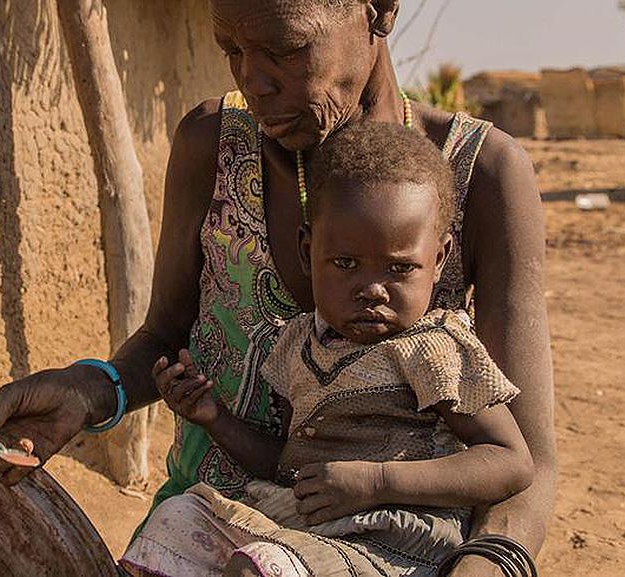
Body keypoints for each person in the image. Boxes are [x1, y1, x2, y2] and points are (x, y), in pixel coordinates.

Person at [0, 0, 555, 575]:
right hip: (210, 527)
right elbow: (164, 338)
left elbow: (525, 460)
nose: (255, 81)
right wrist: (89, 389)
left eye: (286, 50)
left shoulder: (479, 175)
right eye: (232, 50)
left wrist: (485, 564)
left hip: (386, 552)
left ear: (378, 6)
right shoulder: (213, 144)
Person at [121, 121, 534, 576]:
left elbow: (509, 462)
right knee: (176, 522)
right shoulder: (300, 346)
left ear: (438, 260)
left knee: (263, 567)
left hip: (393, 546)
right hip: (307, 531)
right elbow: (291, 466)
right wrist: (213, 417)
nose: (373, 289)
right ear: (307, 251)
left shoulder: (434, 352)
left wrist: (377, 481)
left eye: (399, 268)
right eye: (345, 264)